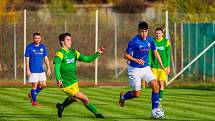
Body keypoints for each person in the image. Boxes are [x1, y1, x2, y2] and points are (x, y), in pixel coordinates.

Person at [53, 32, 105, 118]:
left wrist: (97, 53)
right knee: (85, 98)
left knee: (75, 98)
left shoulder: (74, 52)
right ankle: (97, 114)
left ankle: (61, 106)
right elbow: (57, 68)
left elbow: (87, 59)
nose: (70, 42)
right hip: (66, 83)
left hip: (74, 81)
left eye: (70, 40)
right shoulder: (60, 53)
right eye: (68, 40)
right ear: (62, 42)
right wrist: (58, 79)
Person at [119, 21, 166, 112]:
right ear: (138, 31)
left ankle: (155, 110)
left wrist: (162, 66)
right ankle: (123, 96)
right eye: (141, 31)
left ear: (148, 31)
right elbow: (125, 55)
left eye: (145, 31)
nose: (143, 33)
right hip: (134, 70)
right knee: (137, 94)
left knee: (155, 86)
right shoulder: (134, 42)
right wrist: (136, 60)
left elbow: (155, 52)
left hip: (146, 68)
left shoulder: (150, 40)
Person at [25, 32, 51, 106]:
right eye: (35, 38)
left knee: (43, 85)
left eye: (38, 38)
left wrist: (48, 68)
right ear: (33, 39)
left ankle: (31, 94)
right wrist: (27, 69)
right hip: (33, 70)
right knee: (34, 86)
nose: (37, 39)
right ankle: (34, 101)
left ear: (40, 39)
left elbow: (46, 58)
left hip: (41, 70)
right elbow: (27, 59)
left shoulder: (42, 47)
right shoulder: (29, 47)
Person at [149, 27, 171, 103]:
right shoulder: (152, 42)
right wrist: (149, 65)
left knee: (161, 82)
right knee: (154, 84)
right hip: (154, 66)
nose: (158, 35)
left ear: (162, 34)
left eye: (159, 33)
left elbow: (168, 55)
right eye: (156, 33)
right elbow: (150, 54)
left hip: (163, 66)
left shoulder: (166, 42)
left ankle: (159, 99)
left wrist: (168, 67)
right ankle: (154, 98)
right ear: (155, 34)